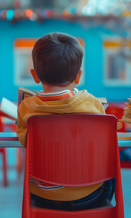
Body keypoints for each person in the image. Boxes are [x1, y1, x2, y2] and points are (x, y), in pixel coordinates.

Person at [17, 32, 114, 211]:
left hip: (43, 196)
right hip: (89, 196)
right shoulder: (92, 103)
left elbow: (25, 142)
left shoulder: (27, 107)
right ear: (78, 76)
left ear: (34, 75)